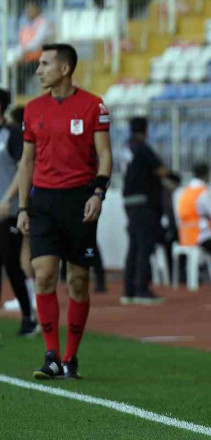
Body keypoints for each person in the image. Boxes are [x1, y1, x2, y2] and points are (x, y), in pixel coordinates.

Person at [17, 44, 112, 380]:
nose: (39, 70)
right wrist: (23, 206)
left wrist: (98, 193)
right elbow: (27, 160)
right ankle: (51, 355)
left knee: (78, 280)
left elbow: (105, 155)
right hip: (42, 201)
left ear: (65, 68)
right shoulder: (32, 109)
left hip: (78, 200)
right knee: (43, 274)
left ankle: (71, 357)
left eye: (45, 64)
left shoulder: (93, 106)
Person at [121, 117, 174, 305]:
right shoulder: (142, 147)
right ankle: (142, 289)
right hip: (143, 202)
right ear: (145, 130)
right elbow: (161, 170)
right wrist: (174, 177)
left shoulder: (127, 148)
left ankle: (129, 290)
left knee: (134, 245)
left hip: (128, 201)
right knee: (144, 245)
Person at [0, 88, 37, 336]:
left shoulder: (12, 134)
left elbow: (24, 168)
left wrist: (8, 198)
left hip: (9, 209)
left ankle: (28, 316)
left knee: (11, 263)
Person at [7, 2, 53, 95]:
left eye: (30, 9)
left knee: (20, 74)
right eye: (26, 9)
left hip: (39, 60)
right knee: (9, 72)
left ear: (37, 9)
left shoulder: (43, 23)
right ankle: (13, 99)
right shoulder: (27, 25)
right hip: (26, 59)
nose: (27, 12)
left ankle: (21, 98)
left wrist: (23, 53)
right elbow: (21, 45)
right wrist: (17, 57)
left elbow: (37, 43)